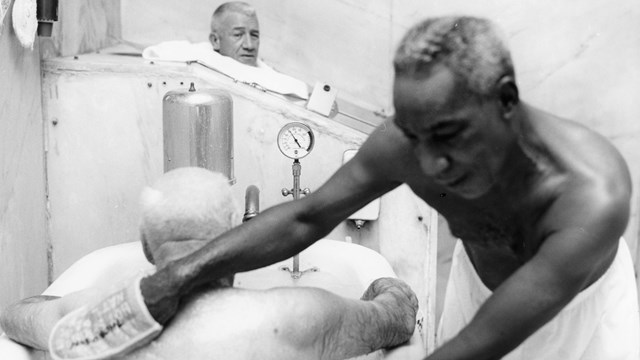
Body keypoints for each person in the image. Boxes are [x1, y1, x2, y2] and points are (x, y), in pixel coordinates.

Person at [52, 15, 640, 359]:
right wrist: (176, 276)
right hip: (480, 281)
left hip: (584, 312)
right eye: (413, 135)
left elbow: (477, 349)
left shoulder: (591, 195)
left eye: (450, 137)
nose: (430, 166)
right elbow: (307, 218)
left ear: (506, 103)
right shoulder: (407, 142)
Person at [0, 167, 421, 360]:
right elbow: (399, 315)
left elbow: (15, 317)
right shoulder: (294, 317)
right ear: (239, 239)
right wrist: (368, 294)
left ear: (147, 246)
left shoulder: (88, 313)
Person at [209, 2, 260, 67]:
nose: (249, 46)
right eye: (238, 35)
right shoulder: (197, 71)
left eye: (254, 35)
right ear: (215, 41)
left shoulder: (271, 75)